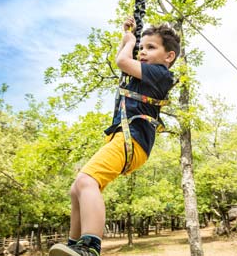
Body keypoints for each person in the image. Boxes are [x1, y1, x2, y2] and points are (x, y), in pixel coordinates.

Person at [49, 16, 180, 256]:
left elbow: (122, 61)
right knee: (77, 187)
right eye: (141, 48)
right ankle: (74, 243)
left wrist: (130, 41)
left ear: (168, 56)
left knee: (87, 181)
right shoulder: (145, 75)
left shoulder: (161, 74)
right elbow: (123, 59)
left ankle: (90, 246)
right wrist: (126, 36)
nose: (142, 52)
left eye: (150, 48)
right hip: (123, 139)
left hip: (132, 140)